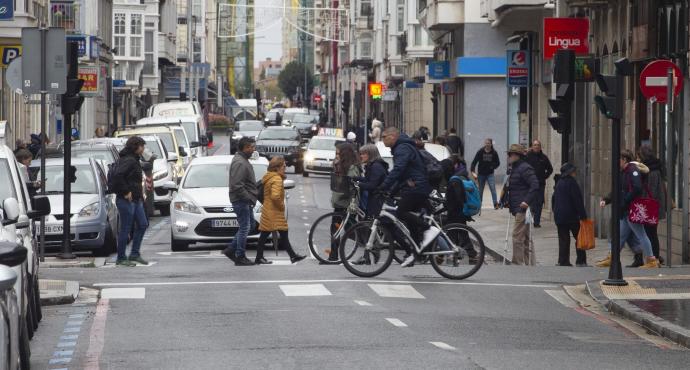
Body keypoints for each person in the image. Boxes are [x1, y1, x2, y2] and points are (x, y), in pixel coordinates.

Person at [379, 127, 437, 267]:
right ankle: (416, 252)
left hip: (418, 186)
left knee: (401, 213)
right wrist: (390, 192)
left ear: (393, 136)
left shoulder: (402, 148)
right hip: (415, 186)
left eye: (384, 136)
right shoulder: (400, 148)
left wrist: (383, 186)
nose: (382, 139)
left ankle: (429, 229)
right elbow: (402, 175)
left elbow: (398, 170)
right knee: (410, 218)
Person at [596, 150, 660, 269]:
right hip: (625, 209)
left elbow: (637, 188)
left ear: (624, 160)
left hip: (631, 209)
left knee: (641, 234)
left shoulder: (632, 170)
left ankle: (652, 260)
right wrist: (607, 199)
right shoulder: (624, 172)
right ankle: (612, 257)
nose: (616, 162)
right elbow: (617, 189)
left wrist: (625, 200)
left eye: (618, 160)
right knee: (620, 235)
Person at [254, 157, 307, 264]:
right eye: (283, 166)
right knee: (279, 233)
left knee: (268, 234)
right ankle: (292, 256)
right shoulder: (277, 179)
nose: (285, 167)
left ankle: (291, 256)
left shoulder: (269, 177)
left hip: (268, 209)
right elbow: (275, 196)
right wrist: (281, 206)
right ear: (277, 168)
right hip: (274, 211)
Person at [111, 136, 149, 266]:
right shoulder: (129, 160)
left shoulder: (134, 159)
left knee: (143, 224)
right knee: (126, 229)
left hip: (136, 199)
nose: (143, 149)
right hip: (126, 199)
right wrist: (126, 191)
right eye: (142, 146)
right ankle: (121, 258)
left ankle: (134, 254)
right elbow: (118, 175)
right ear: (135, 146)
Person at [223, 137, 259, 266]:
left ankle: (231, 249)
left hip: (244, 199)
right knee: (245, 227)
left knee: (251, 226)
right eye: (251, 147)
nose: (253, 149)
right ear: (245, 148)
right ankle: (240, 256)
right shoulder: (240, 162)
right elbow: (236, 185)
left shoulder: (242, 160)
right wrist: (248, 198)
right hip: (241, 200)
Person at [505, 144, 539, 265]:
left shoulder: (524, 168)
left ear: (517, 155)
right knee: (526, 238)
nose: (509, 156)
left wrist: (526, 201)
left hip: (523, 208)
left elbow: (535, 184)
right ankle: (530, 263)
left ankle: (517, 263)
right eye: (509, 154)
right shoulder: (514, 168)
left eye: (511, 154)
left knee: (517, 236)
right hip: (518, 207)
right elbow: (514, 188)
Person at [328, 142, 361, 262]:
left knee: (350, 231)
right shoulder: (339, 165)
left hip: (347, 204)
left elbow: (352, 185)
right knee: (335, 230)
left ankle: (371, 246)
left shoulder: (352, 168)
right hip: (339, 203)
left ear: (345, 154)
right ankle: (333, 255)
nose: (336, 156)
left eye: (338, 153)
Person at [552, 163, 588, 267]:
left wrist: (555, 212)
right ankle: (581, 261)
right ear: (570, 172)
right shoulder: (572, 183)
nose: (575, 173)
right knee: (579, 238)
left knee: (563, 239)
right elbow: (578, 200)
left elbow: (553, 200)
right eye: (573, 171)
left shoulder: (559, 183)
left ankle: (563, 261)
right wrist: (583, 215)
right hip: (571, 216)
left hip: (560, 216)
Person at [638, 145, 666, 263]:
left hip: (651, 206)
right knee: (650, 232)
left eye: (639, 156)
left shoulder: (651, 170)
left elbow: (652, 190)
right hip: (652, 205)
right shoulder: (654, 167)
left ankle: (655, 257)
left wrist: (646, 206)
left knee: (651, 232)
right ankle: (654, 257)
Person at [525, 140, 553, 228]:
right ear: (532, 146)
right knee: (531, 202)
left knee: (540, 202)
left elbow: (550, 169)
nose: (536, 146)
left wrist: (544, 176)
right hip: (530, 184)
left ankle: (536, 222)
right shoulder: (528, 157)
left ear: (540, 147)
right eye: (535, 145)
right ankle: (529, 219)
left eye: (538, 145)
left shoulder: (544, 157)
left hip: (540, 183)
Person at [355, 144, 388, 217]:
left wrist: (357, 184)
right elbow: (368, 179)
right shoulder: (373, 165)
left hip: (378, 199)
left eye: (363, 154)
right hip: (375, 198)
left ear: (371, 154)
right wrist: (355, 178)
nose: (361, 156)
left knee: (372, 221)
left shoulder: (376, 166)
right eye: (361, 154)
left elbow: (372, 185)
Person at [470, 138, 501, 209]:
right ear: (484, 144)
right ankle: (479, 205)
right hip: (481, 174)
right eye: (486, 143)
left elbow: (498, 163)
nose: (487, 144)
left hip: (490, 174)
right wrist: (473, 171)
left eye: (488, 143)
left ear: (491, 144)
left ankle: (495, 204)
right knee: (480, 190)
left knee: (493, 189)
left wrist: (493, 166)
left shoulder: (494, 152)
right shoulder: (480, 152)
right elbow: (474, 162)